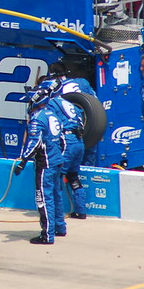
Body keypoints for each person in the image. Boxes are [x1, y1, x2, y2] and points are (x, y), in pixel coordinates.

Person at [13, 81, 65, 245]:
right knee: (56, 195)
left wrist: (22, 161)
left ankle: (47, 235)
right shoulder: (52, 114)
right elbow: (62, 141)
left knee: (43, 198)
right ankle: (60, 227)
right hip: (57, 160)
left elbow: (33, 143)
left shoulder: (37, 119)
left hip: (46, 164)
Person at [46, 78, 87, 219]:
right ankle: (81, 211)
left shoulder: (51, 104)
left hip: (67, 142)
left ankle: (56, 215)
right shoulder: (70, 104)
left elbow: (51, 124)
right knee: (74, 178)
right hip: (79, 142)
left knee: (57, 177)